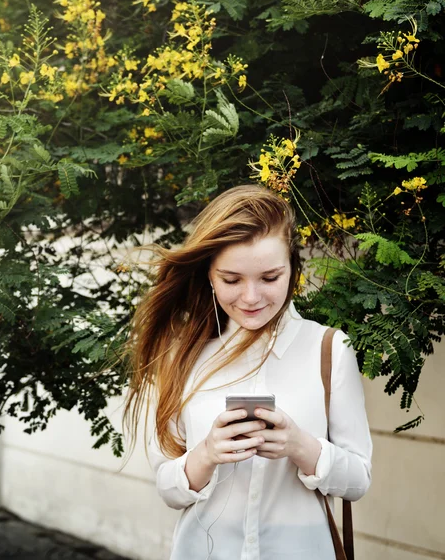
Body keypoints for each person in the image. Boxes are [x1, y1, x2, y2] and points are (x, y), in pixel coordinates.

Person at [123, 185, 372, 560]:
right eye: (232, 279)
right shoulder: (185, 353)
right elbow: (168, 488)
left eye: (270, 278)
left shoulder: (330, 350)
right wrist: (205, 454)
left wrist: (300, 447)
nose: (251, 297)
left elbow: (358, 480)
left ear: (293, 270)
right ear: (209, 274)